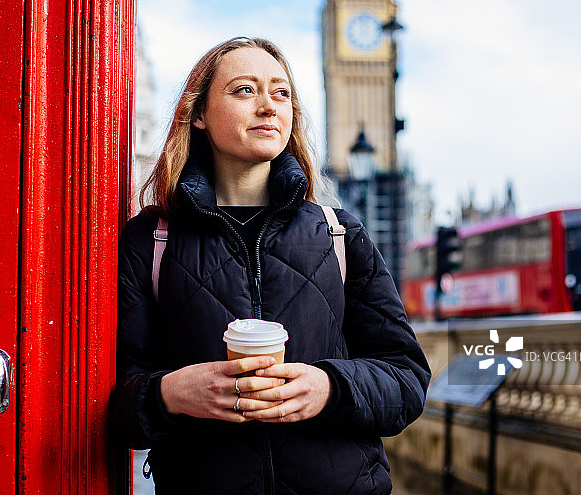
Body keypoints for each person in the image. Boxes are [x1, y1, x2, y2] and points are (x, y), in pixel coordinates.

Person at [112, 36, 430, 495]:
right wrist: (171, 394)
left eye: (281, 93)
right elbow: (109, 405)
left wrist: (330, 388)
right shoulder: (152, 242)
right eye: (245, 90)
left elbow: (407, 378)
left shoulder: (340, 235)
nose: (268, 106)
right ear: (198, 114)